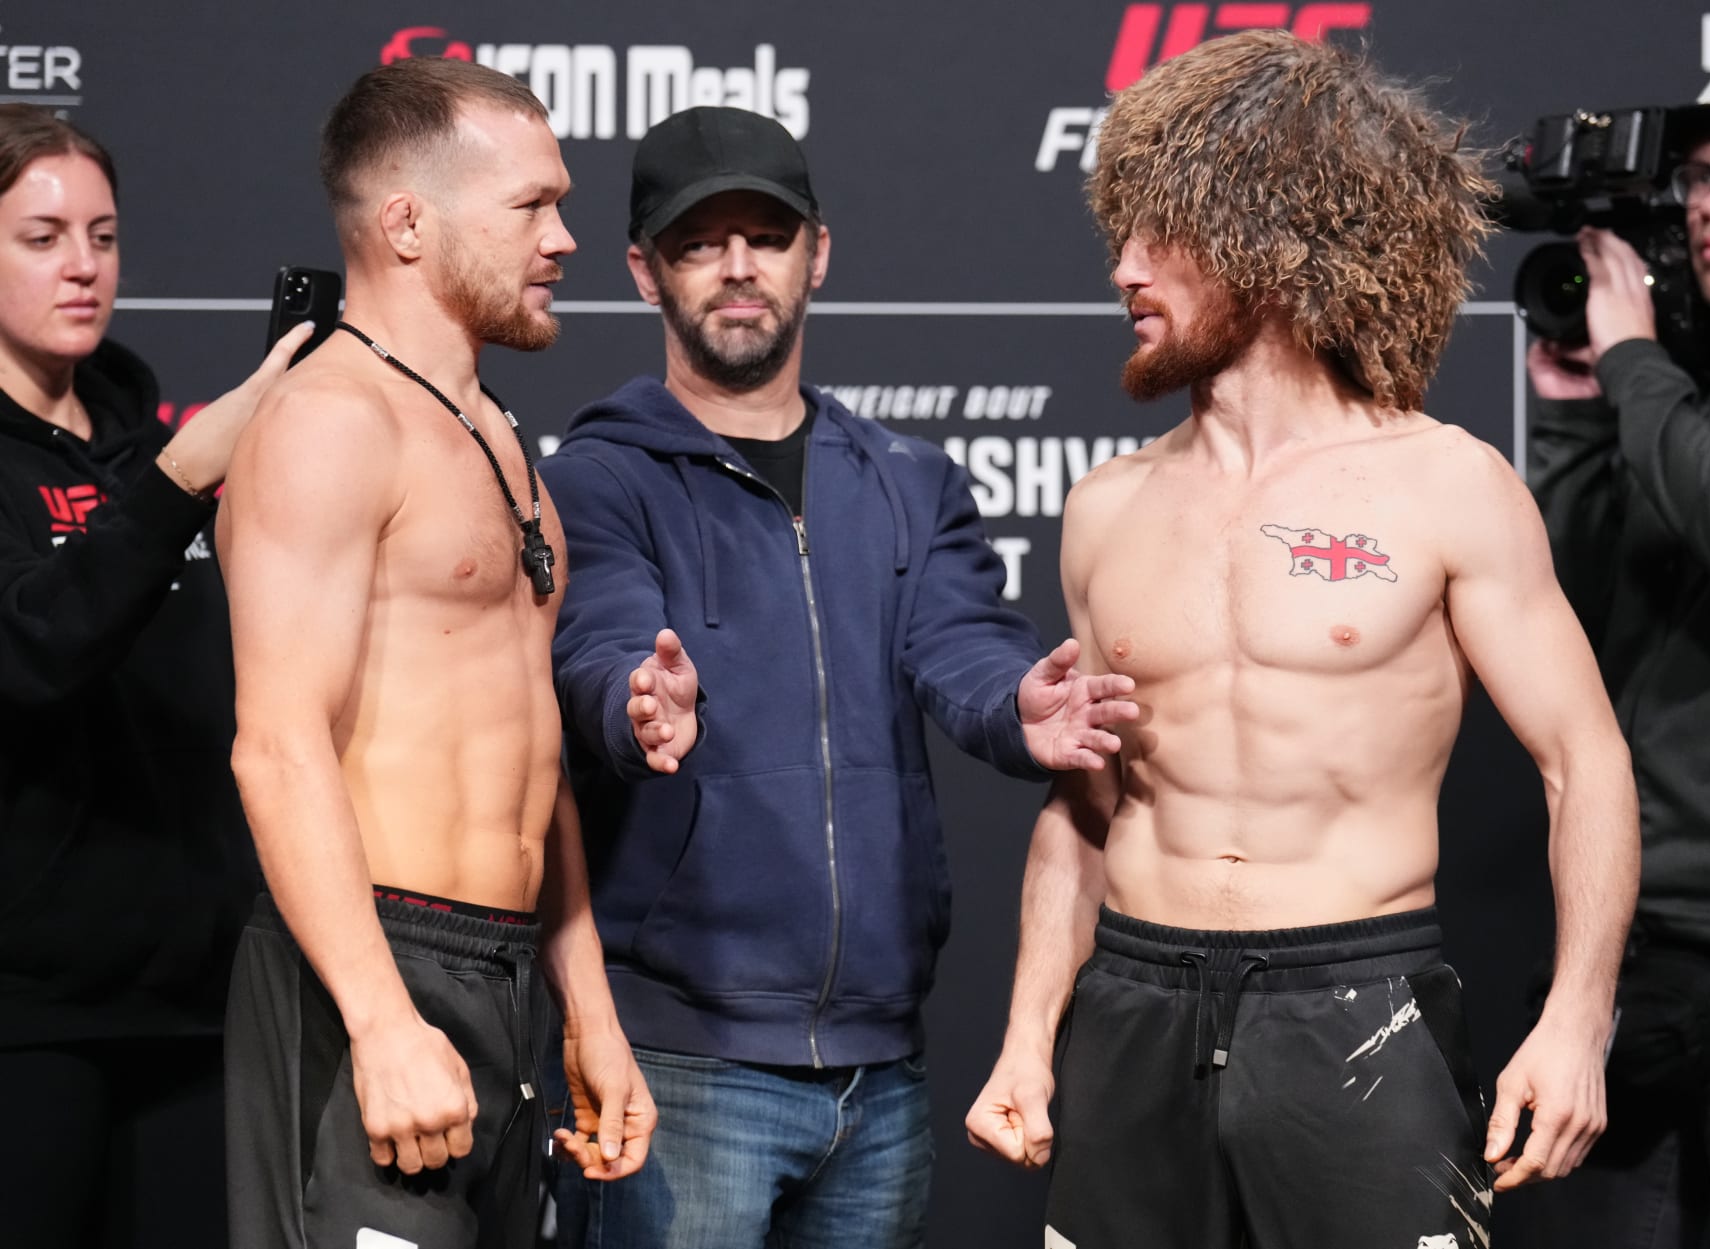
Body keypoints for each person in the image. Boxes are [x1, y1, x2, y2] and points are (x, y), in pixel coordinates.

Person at [963, 31, 1640, 1249]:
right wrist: (1026, 1035)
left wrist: (1581, 1017)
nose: (1122, 266)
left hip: (1358, 1002)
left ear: (1264, 239)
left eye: (1157, 232)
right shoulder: (1106, 506)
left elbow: (1582, 760)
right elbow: (1086, 802)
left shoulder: (1446, 484)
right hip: (1130, 1001)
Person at [538, 105, 1136, 1249]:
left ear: (819, 250)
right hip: (682, 1061)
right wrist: (632, 702)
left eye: (765, 235)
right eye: (699, 243)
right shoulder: (600, 479)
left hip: (880, 1070)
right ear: (643, 271)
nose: (737, 268)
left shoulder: (908, 480)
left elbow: (960, 641)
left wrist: (1020, 704)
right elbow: (600, 640)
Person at [217, 57, 656, 1249]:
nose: (564, 237)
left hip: (506, 977)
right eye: (532, 206)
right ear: (408, 222)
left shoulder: (502, 444)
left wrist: (590, 1013)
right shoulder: (328, 423)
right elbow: (275, 745)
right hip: (368, 965)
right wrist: (379, 1018)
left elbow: (535, 757)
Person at [0, 105, 311, 1249]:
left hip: (195, 1005)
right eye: (41, 237)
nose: (84, 265)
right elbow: (37, 651)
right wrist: (182, 478)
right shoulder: (175, 466)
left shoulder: (147, 446)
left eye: (104, 234)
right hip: (29, 1017)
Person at [1521, 43, 1710, 1248]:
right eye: (1695, 178)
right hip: (1640, 940)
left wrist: (1631, 360)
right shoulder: (1686, 400)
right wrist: (1582, 415)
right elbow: (1574, 610)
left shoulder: (1670, 394)